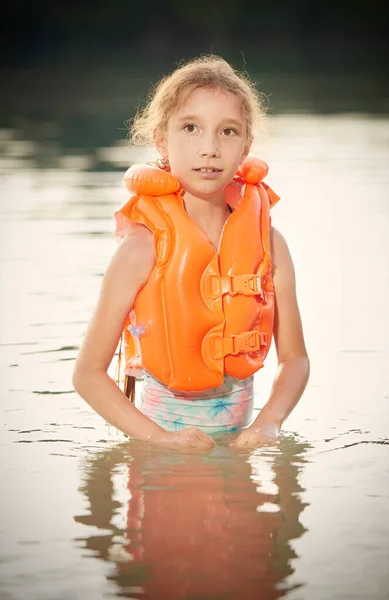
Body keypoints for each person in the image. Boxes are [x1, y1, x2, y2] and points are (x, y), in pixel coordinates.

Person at [72, 55, 310, 449]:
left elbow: (295, 360)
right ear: (162, 140)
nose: (209, 148)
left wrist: (268, 424)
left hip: (241, 450)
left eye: (228, 131)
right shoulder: (140, 250)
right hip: (159, 457)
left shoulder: (270, 245)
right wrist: (160, 440)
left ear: (246, 146)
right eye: (190, 128)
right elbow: (87, 375)